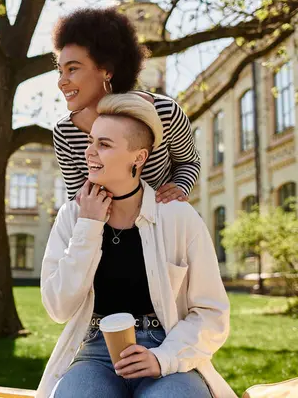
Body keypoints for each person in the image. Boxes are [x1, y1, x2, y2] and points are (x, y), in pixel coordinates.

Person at [37, 94, 235, 398]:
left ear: (139, 157)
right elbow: (57, 307)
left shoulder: (178, 217)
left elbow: (212, 314)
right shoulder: (73, 216)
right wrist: (89, 228)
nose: (89, 153)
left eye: (104, 145)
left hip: (166, 345)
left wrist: (163, 357)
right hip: (95, 353)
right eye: (90, 142)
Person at [53, 7, 200, 204]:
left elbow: (189, 162)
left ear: (107, 70)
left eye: (72, 69)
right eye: (60, 71)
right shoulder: (64, 132)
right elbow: (77, 200)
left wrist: (180, 187)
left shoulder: (165, 112)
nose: (61, 81)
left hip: (162, 223)